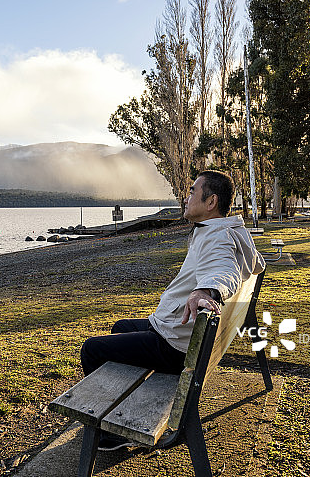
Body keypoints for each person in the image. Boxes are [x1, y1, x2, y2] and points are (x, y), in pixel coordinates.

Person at [80, 170, 265, 450]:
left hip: (176, 346)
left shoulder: (217, 239)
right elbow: (249, 265)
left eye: (192, 191)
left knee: (91, 350)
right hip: (181, 333)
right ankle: (125, 406)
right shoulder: (225, 230)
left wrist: (208, 290)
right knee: (119, 328)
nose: (186, 197)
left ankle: (117, 431)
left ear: (211, 201)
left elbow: (223, 269)